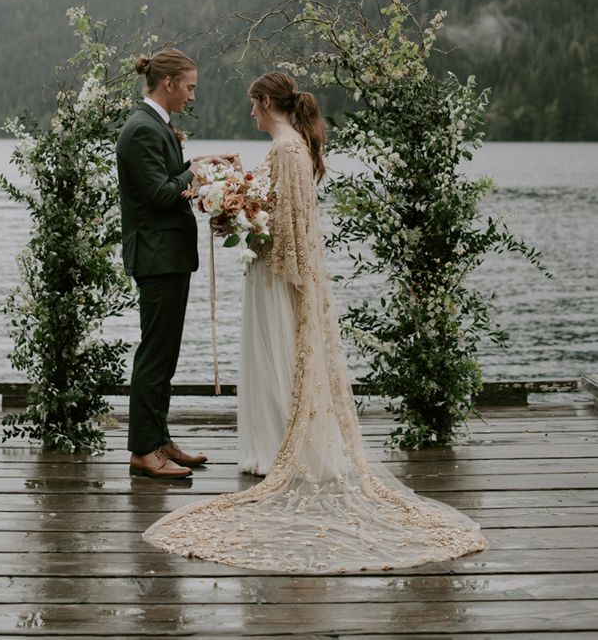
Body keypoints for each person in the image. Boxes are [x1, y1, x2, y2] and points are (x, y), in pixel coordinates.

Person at [143, 71, 487, 571]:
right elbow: (289, 216)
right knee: (278, 353)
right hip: (277, 270)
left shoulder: (285, 149)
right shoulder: (294, 144)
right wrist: (242, 211)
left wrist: (242, 222)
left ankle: (275, 451)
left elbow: (285, 226)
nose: (251, 114)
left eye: (252, 105)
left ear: (265, 102)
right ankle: (277, 444)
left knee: (273, 352)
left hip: (273, 272)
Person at [117, 47, 209, 479]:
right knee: (155, 356)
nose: (192, 95)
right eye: (189, 87)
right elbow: (157, 195)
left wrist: (200, 167)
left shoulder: (156, 124)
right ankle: (142, 450)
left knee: (165, 354)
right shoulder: (141, 129)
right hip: (157, 257)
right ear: (169, 83)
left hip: (168, 255)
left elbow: (167, 182)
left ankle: (159, 438)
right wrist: (196, 174)